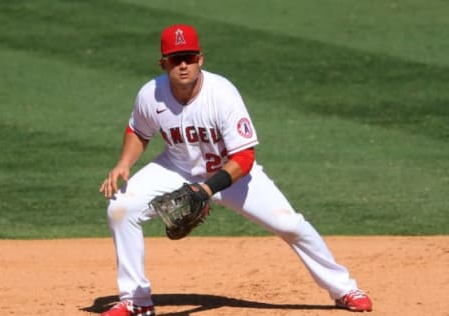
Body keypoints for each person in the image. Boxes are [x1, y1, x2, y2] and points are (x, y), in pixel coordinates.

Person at [99, 24, 373, 316]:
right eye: (176, 58)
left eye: (189, 57)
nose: (183, 65)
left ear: (200, 59)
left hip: (230, 173)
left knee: (290, 225)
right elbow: (138, 130)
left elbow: (244, 157)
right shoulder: (150, 94)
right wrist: (123, 163)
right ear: (163, 63)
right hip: (176, 167)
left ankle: (344, 288)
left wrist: (205, 190)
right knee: (120, 208)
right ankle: (136, 301)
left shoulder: (222, 94)